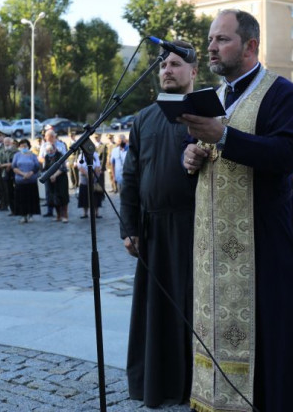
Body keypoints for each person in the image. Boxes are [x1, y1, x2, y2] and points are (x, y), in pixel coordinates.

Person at [181, 10, 293, 411]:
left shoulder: (283, 94)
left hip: (262, 247)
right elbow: (205, 153)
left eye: (222, 39)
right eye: (210, 39)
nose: (211, 47)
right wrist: (189, 156)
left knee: (270, 339)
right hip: (213, 251)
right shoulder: (214, 97)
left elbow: (287, 154)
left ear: (250, 46)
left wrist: (223, 136)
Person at [120, 40, 199, 407]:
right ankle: (156, 384)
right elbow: (131, 175)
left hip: (195, 229)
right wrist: (129, 227)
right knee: (156, 313)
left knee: (190, 309)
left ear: (193, 72)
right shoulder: (144, 118)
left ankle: (191, 385)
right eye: (164, 65)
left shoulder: (206, 115)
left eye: (176, 64)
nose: (167, 70)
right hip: (152, 232)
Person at [38, 130, 67, 217]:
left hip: (59, 171)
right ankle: (50, 210)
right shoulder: (44, 145)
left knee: (59, 192)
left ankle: (62, 212)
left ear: (54, 137)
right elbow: (40, 157)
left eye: (51, 137)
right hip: (47, 171)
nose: (49, 138)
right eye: (47, 137)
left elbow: (64, 157)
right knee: (49, 192)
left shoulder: (61, 145)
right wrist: (47, 161)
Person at [11, 138, 41, 223]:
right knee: (21, 199)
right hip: (20, 180)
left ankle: (30, 214)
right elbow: (14, 167)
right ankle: (23, 215)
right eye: (22, 146)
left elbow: (36, 166)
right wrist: (23, 174)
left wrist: (29, 174)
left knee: (31, 199)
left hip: (31, 180)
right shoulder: (17, 155)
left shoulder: (33, 155)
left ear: (29, 146)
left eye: (25, 146)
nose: (23, 147)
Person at [43, 143, 70, 223]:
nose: (50, 152)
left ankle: (64, 216)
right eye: (48, 150)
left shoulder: (60, 155)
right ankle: (58, 215)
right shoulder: (47, 157)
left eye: (51, 150)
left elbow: (62, 168)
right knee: (53, 197)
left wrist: (54, 175)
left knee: (63, 197)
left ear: (54, 149)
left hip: (61, 178)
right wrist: (50, 176)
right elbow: (46, 168)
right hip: (51, 179)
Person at [76, 150, 102, 219]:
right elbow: (80, 166)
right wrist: (88, 174)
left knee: (95, 195)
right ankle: (85, 213)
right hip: (84, 178)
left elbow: (98, 165)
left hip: (94, 177)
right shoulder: (80, 156)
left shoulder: (95, 154)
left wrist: (94, 175)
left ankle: (96, 213)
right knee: (84, 196)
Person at [0, 137, 18, 215]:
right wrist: (8, 165)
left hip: (16, 174)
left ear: (11, 142)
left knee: (16, 192)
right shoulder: (2, 152)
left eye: (8, 142)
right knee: (9, 192)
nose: (6, 143)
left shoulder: (16, 151)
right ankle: (12, 210)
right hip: (6, 174)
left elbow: (17, 162)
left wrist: (10, 165)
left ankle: (18, 209)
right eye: (5, 142)